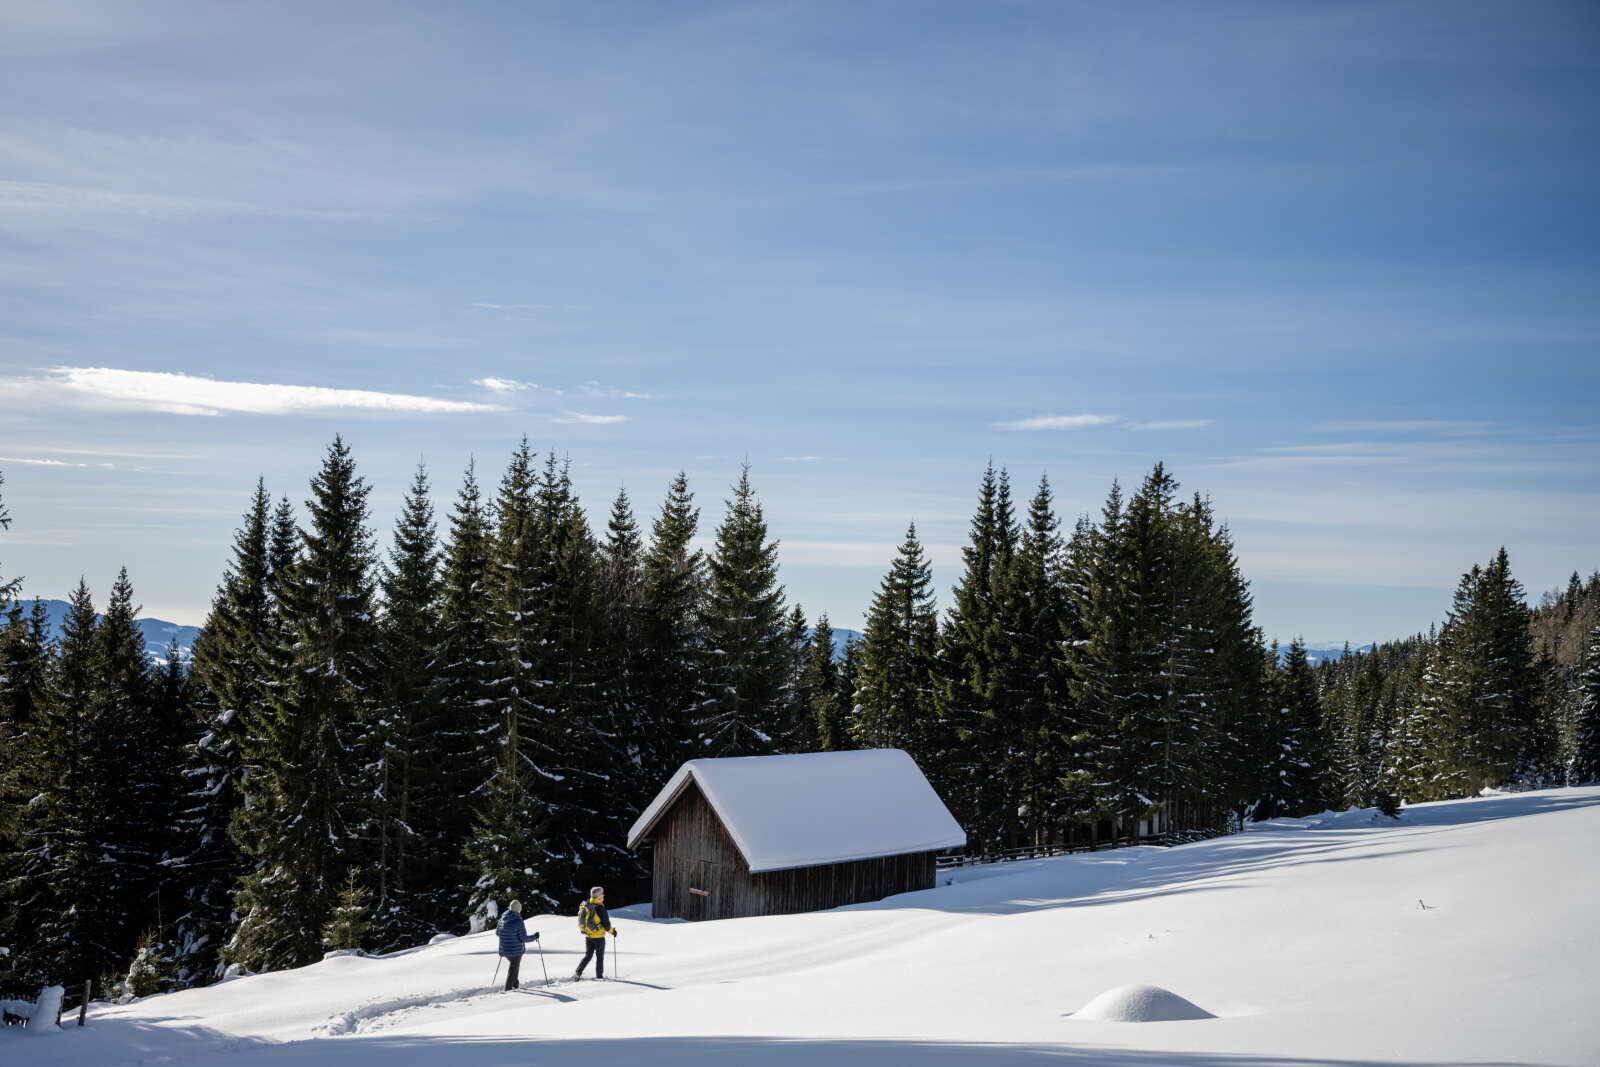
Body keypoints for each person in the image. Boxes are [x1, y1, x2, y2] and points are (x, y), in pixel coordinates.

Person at [573, 886, 617, 980]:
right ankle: (599, 976)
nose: (603, 895)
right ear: (597, 896)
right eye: (602, 893)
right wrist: (613, 932)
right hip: (599, 937)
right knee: (600, 957)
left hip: (588, 935)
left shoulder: (587, 905)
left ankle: (577, 973)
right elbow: (606, 925)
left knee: (588, 956)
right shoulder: (600, 908)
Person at [496, 899, 539, 991]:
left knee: (515, 966)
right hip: (515, 950)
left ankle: (515, 985)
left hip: (504, 950)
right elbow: (524, 938)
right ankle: (508, 989)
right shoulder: (518, 922)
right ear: (518, 909)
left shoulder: (502, 919)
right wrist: (535, 936)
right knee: (513, 969)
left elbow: (498, 933)